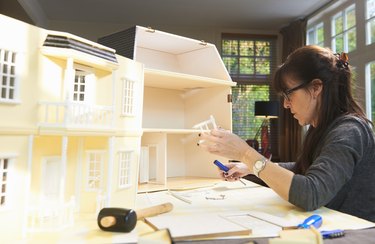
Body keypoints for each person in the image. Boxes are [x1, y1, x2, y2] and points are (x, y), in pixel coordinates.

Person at [198, 45, 375, 223]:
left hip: (356, 232)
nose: (285, 104)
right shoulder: (323, 128)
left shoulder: (349, 131)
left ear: (315, 88)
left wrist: (246, 154)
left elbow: (311, 193)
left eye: (288, 94)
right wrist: (249, 167)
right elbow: (302, 169)